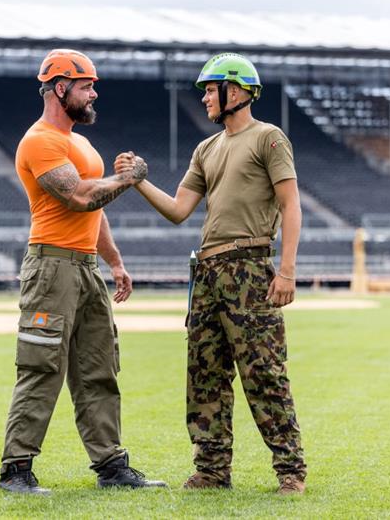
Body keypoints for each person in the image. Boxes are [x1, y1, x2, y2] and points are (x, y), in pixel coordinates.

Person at [116, 53, 307, 494]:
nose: (204, 97)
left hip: (250, 270)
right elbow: (180, 210)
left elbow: (290, 204)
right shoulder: (206, 148)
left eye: (209, 88)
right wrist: (138, 181)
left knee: (264, 372)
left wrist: (287, 271)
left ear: (234, 91)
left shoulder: (269, 139)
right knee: (204, 374)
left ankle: (290, 471)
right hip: (207, 272)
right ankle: (212, 470)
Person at [0, 48, 167, 495]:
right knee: (41, 366)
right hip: (50, 267)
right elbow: (79, 196)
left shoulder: (82, 143)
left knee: (99, 367)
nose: (94, 94)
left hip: (86, 267)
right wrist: (127, 180)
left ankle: (111, 465)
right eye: (87, 86)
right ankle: (16, 470)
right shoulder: (39, 141)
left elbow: (96, 209)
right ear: (60, 88)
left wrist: (114, 261)